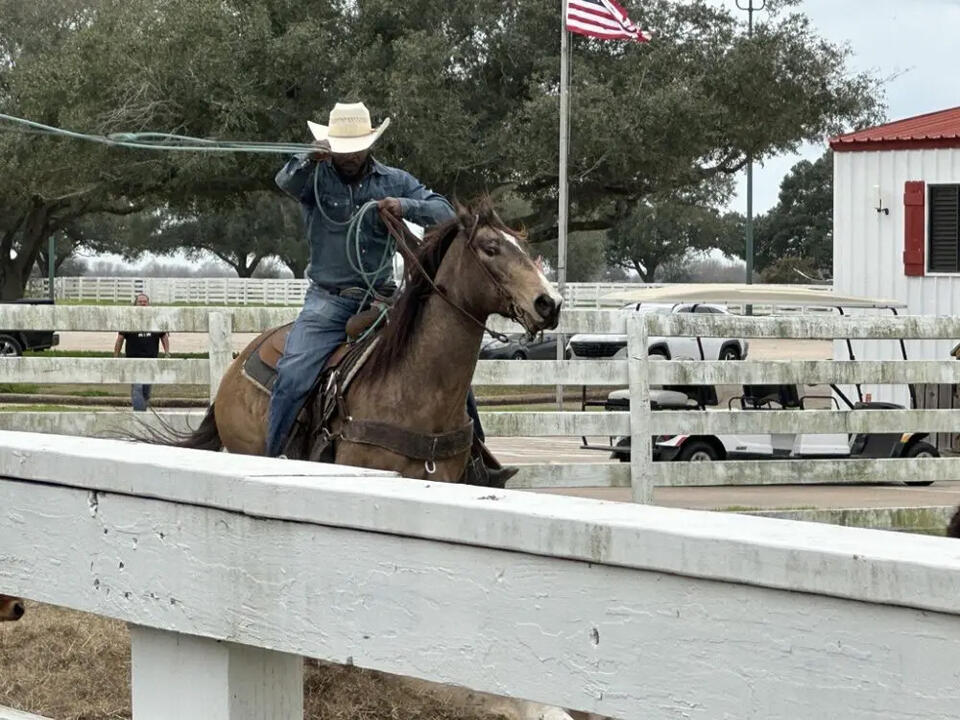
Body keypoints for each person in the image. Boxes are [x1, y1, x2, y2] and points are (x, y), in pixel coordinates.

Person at [266, 101, 515, 483]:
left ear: (369, 144)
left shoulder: (392, 180)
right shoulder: (314, 178)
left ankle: (476, 463)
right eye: (342, 148)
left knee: (447, 372)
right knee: (293, 374)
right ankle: (274, 459)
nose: (349, 157)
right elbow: (286, 181)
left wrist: (404, 205)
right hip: (329, 300)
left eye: (355, 148)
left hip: (382, 298)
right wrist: (307, 158)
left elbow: (443, 211)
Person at [113, 293, 170, 412]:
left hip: (151, 359)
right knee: (137, 387)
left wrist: (167, 352)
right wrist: (116, 355)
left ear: (149, 304)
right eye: (140, 302)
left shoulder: (156, 319)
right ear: (135, 304)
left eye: (145, 302)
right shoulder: (129, 320)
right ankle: (139, 413)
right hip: (134, 359)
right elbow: (120, 339)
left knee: (147, 389)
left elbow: (164, 336)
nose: (143, 304)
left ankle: (143, 410)